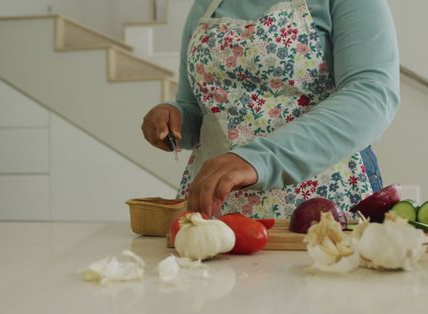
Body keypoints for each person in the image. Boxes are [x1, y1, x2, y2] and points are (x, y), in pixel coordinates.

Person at [141, 0, 400, 219]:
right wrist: (173, 118)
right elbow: (197, 107)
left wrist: (258, 159)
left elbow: (371, 97)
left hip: (321, 207)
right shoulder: (207, 4)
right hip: (216, 211)